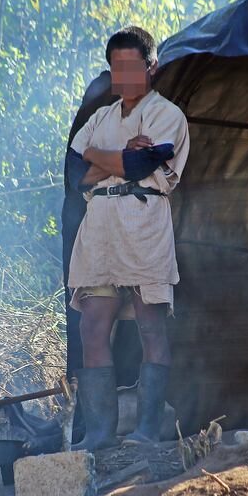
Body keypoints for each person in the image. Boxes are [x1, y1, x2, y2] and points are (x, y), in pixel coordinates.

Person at [64, 26, 190, 449]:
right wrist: (120, 157)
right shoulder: (100, 117)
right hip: (99, 225)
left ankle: (146, 431)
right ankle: (99, 434)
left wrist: (107, 159)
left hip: (143, 223)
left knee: (150, 324)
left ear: (151, 66)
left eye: (132, 65)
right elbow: (82, 175)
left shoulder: (167, 115)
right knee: (92, 327)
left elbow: (139, 169)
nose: (123, 74)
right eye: (116, 66)